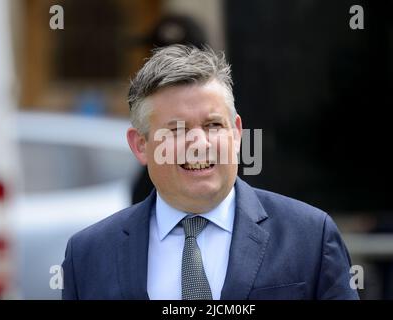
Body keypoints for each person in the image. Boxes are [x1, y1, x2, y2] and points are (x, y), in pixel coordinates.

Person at [61, 44, 359, 300]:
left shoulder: (309, 236)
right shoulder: (88, 255)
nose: (199, 144)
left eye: (213, 125)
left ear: (237, 132)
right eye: (177, 129)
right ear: (141, 145)